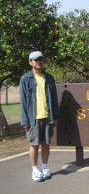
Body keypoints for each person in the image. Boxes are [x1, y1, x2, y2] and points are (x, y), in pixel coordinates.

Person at [20, 51, 59, 182]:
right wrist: (24, 120)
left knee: (46, 144)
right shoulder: (25, 79)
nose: (39, 62)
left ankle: (45, 167)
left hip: (47, 117)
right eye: (36, 60)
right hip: (33, 118)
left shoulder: (49, 78)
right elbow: (23, 101)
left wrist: (55, 117)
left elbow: (54, 99)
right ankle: (35, 170)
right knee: (34, 144)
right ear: (30, 62)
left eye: (41, 59)